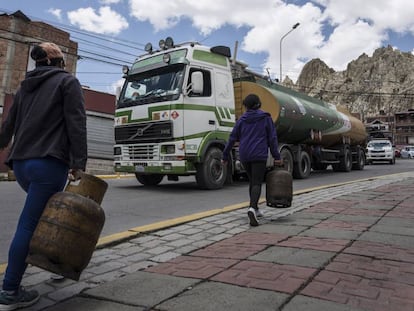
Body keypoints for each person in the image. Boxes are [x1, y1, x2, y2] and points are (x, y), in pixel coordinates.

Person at [0, 42, 87, 310]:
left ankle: (56, 264)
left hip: (23, 165)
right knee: (30, 223)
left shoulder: (25, 87)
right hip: (48, 165)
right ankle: (10, 291)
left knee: (43, 217)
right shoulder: (67, 82)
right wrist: (78, 162)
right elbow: (76, 122)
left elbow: (8, 125)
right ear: (58, 61)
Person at [222, 94, 282, 226]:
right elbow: (272, 139)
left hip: (244, 155)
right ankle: (252, 208)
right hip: (259, 155)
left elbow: (232, 138)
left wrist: (225, 156)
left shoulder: (242, 120)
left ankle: (255, 208)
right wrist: (277, 157)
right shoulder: (265, 118)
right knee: (257, 183)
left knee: (252, 181)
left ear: (246, 106)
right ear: (259, 104)